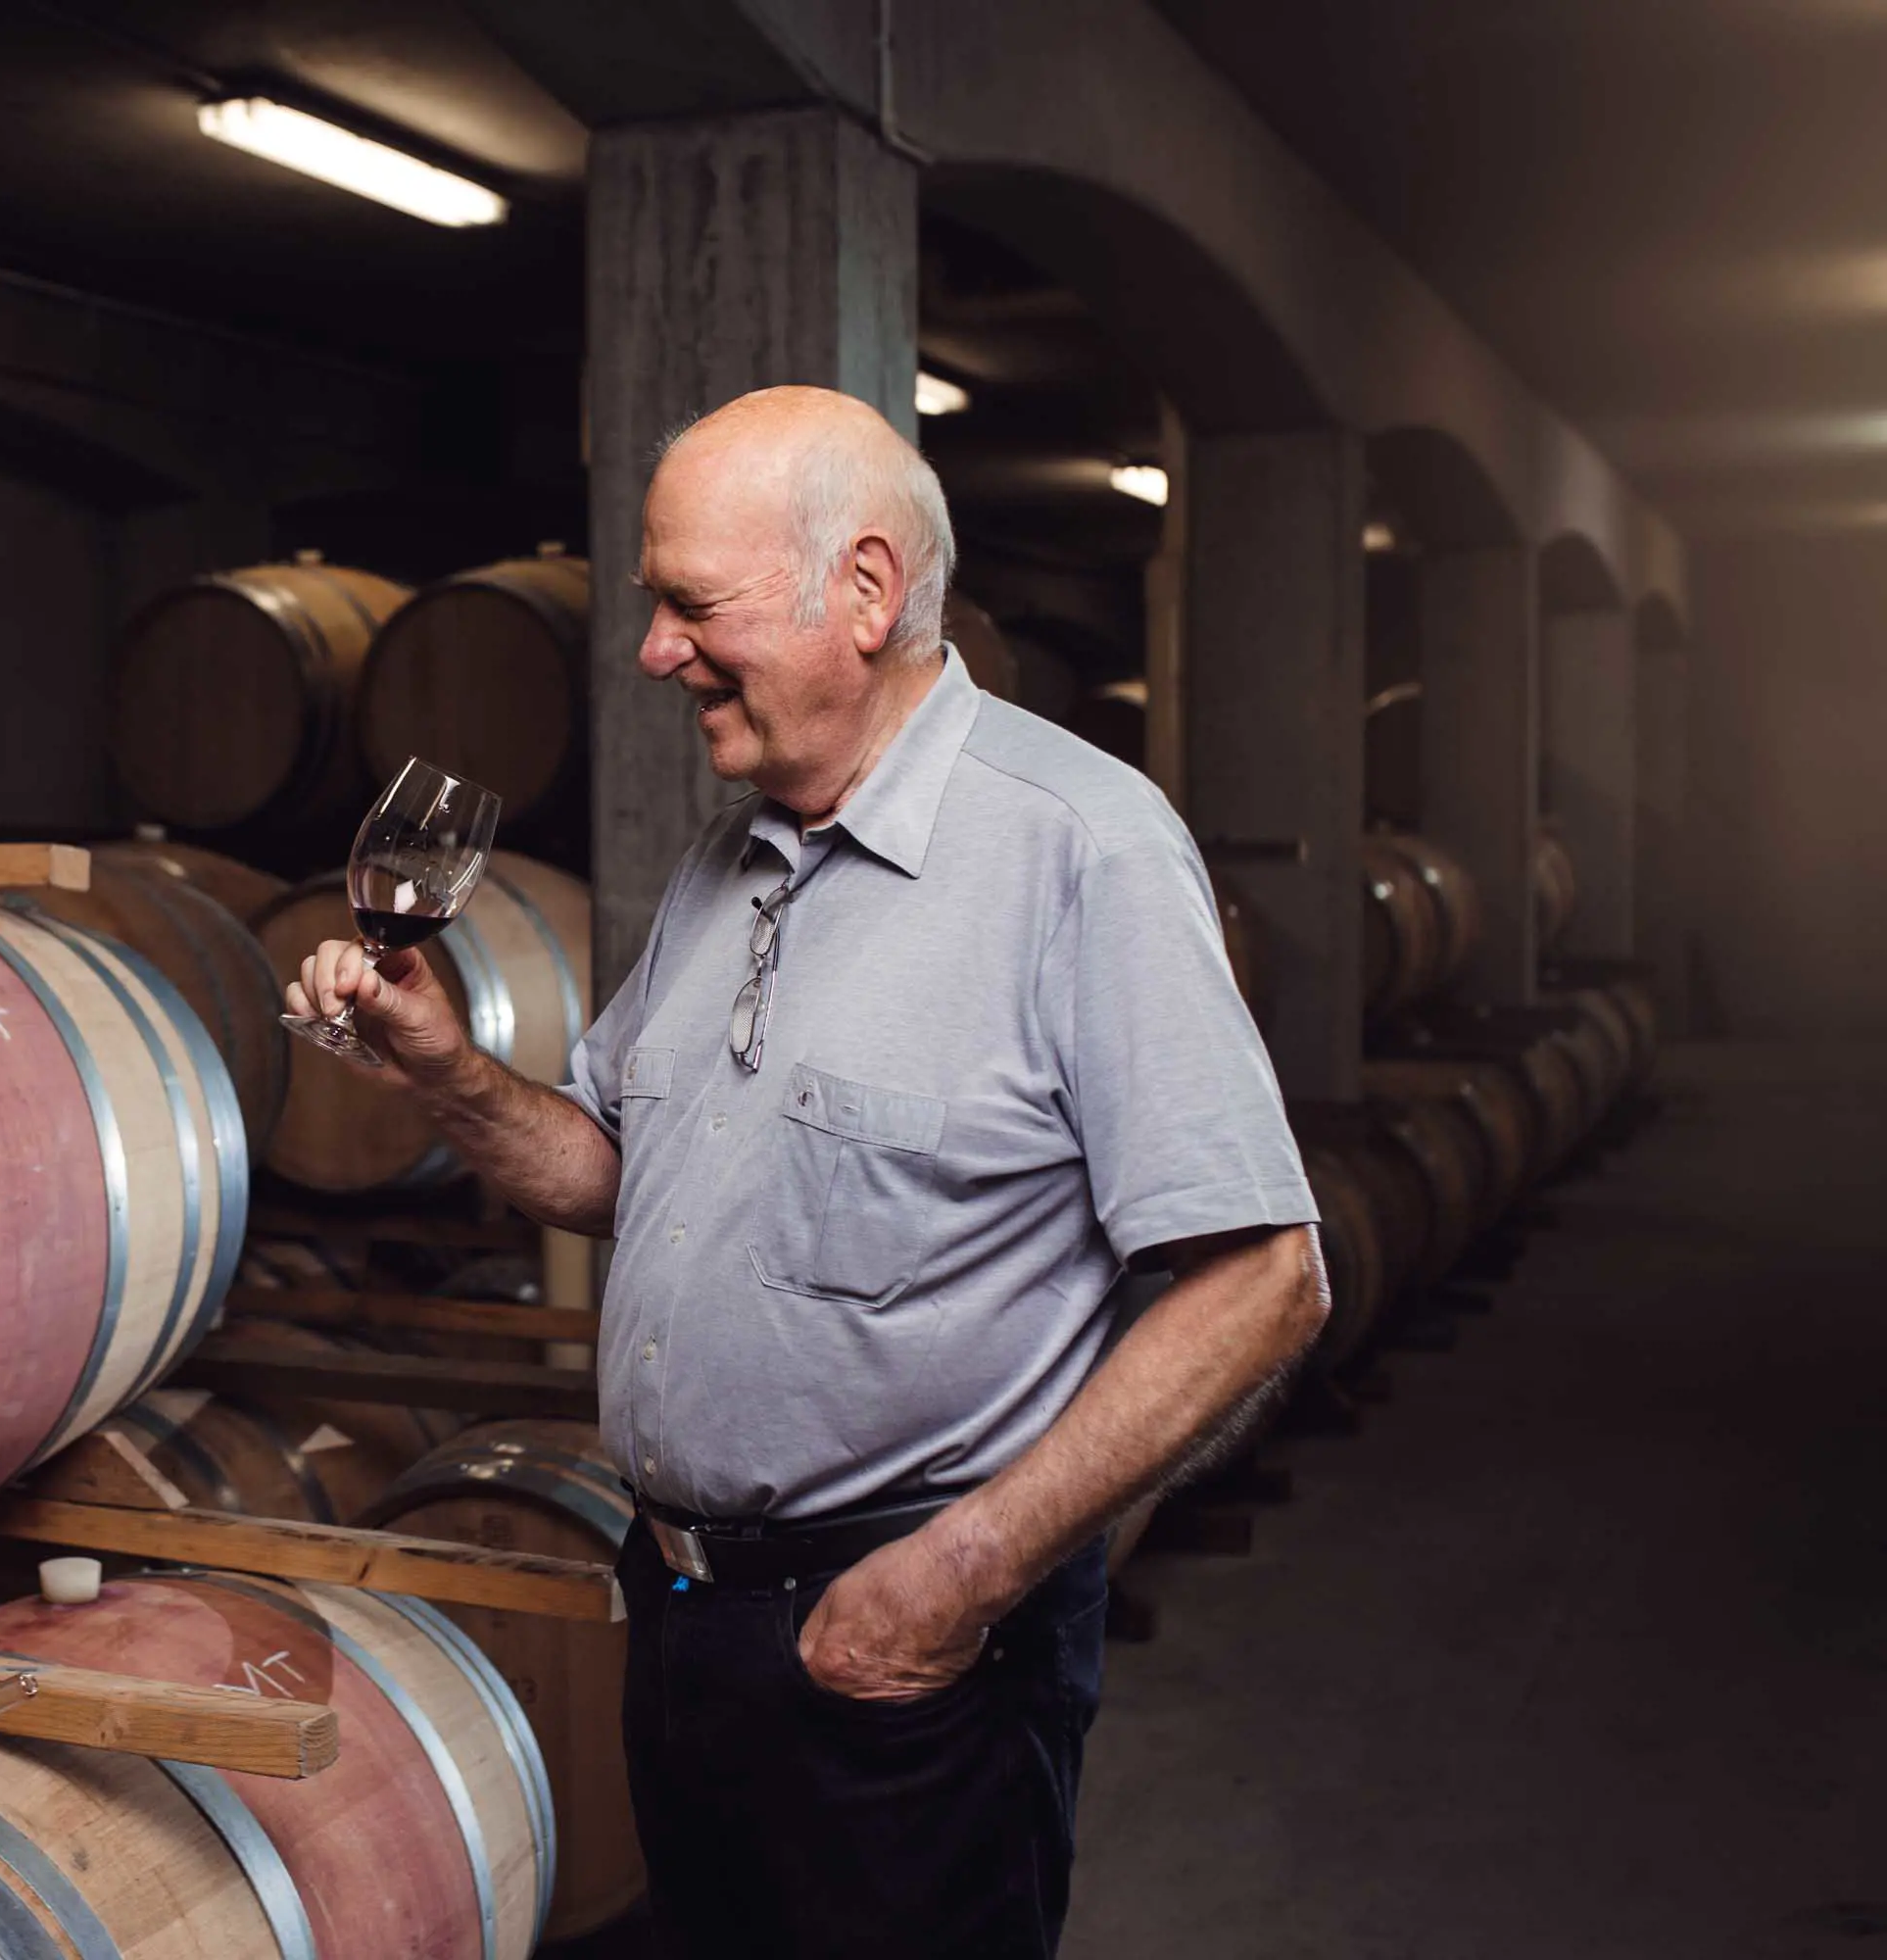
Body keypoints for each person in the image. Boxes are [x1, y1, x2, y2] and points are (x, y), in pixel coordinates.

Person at [289, 384, 1330, 1958]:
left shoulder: (1080, 850)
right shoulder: (734, 855)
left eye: (691, 605)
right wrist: (442, 1065)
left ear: (864, 590)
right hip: (687, 1615)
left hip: (912, 1649)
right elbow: (609, 1175)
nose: (651, 652)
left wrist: (956, 1577)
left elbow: (1266, 1278)